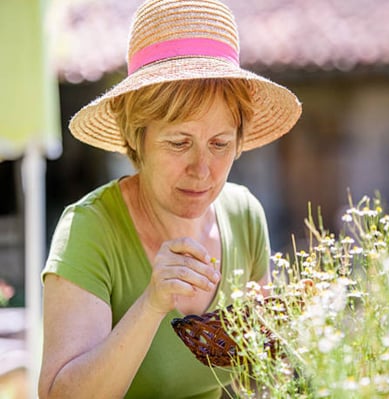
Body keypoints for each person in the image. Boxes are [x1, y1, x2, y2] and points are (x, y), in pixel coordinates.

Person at [38, 0, 301, 398]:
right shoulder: (90, 229)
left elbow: (261, 372)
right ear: (135, 138)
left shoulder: (244, 215)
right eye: (179, 143)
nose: (202, 169)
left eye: (220, 144)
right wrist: (152, 303)